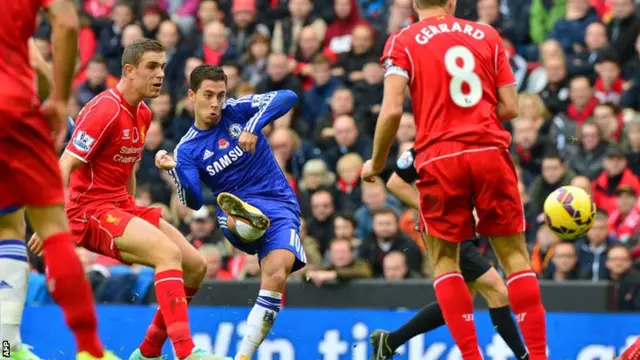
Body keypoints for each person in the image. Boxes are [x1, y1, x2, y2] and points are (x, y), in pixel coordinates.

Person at [360, 0, 548, 358]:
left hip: (439, 157)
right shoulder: (487, 34)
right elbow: (510, 107)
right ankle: (538, 355)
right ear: (453, 2)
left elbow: (392, 110)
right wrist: (471, 113)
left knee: (445, 261)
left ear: (415, 4)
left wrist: (376, 162)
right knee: (515, 259)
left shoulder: (402, 41)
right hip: (489, 151)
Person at [28, 39, 224, 360]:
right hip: (87, 210)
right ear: (129, 71)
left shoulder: (143, 113)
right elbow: (65, 164)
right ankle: (186, 352)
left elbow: (128, 165)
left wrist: (131, 222)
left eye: (162, 67)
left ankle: (147, 353)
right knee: (168, 254)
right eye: (151, 67)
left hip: (120, 206)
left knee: (196, 266)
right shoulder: (104, 109)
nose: (160, 74)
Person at [155, 64, 305, 360]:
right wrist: (174, 171)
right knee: (235, 214)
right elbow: (194, 201)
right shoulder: (187, 149)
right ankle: (247, 218)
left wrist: (252, 126)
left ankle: (243, 356)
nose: (215, 103)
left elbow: (288, 96)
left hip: (279, 205)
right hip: (232, 216)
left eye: (220, 95)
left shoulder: (237, 111)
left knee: (277, 272)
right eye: (208, 95)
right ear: (191, 96)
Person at [0, 1, 116, 359]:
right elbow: (65, 25)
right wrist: (59, 99)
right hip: (12, 106)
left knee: (8, 224)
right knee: (49, 229)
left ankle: (7, 346)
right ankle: (89, 350)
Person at [370, 148, 528, 359]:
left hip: (465, 229)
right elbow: (394, 183)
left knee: (459, 303)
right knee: (497, 290)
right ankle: (524, 356)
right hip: (445, 233)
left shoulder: (470, 144)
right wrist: (430, 210)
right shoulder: (427, 147)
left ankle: (390, 342)